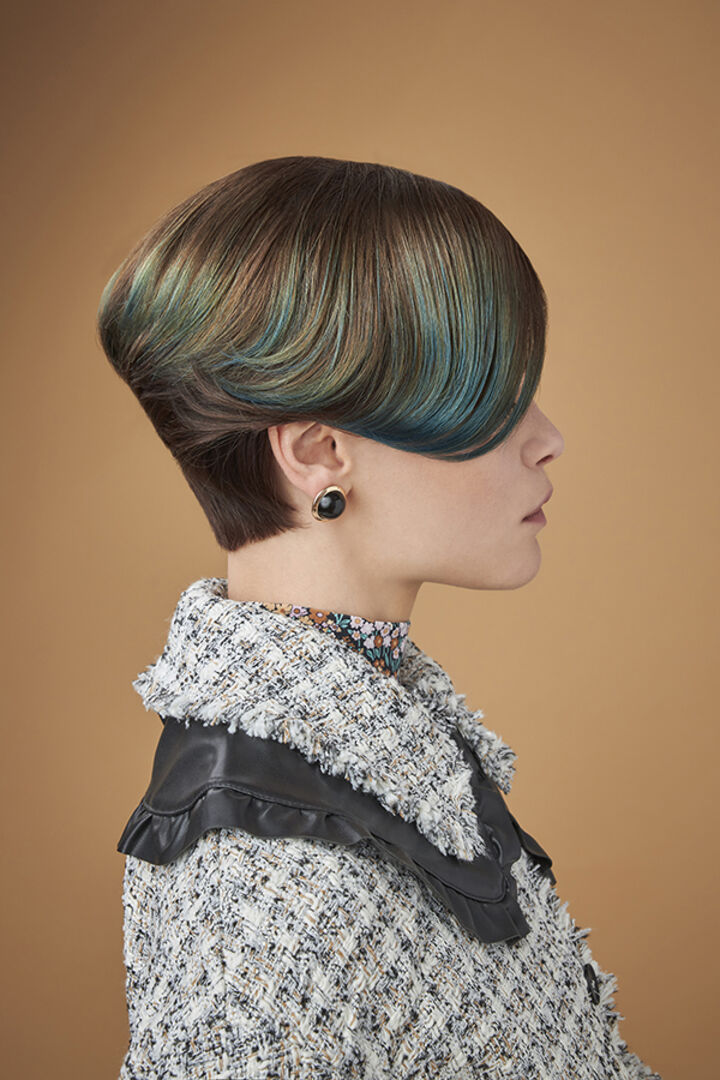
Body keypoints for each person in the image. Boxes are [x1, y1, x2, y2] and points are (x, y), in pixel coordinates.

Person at [98, 155, 662, 1079]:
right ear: (320, 451)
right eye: (491, 397)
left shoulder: (362, 759)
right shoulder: (269, 882)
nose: (547, 437)